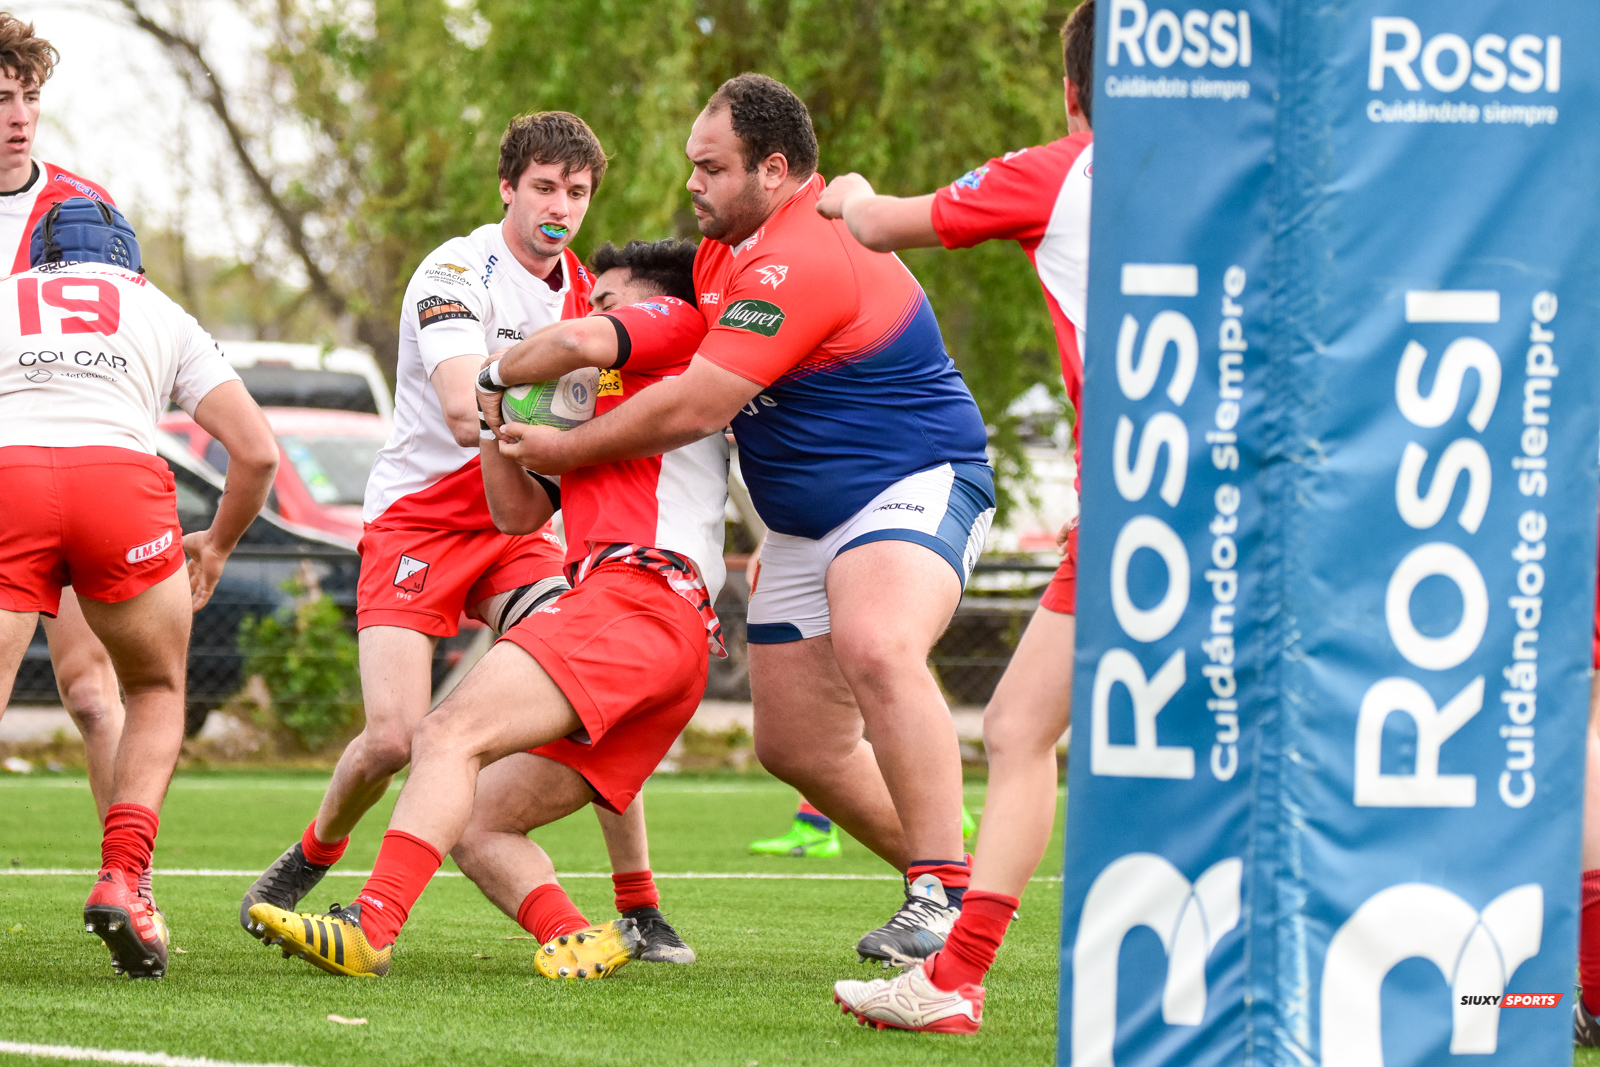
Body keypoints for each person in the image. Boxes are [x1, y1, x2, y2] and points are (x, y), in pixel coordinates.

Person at [502, 74, 995, 967]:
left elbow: (698, 404)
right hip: (805, 526)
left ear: (773, 169)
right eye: (693, 165)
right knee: (796, 744)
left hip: (912, 482)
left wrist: (561, 447)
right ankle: (969, 887)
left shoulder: (800, 253)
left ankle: (942, 891)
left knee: (879, 642)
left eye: (712, 167)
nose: (692, 182)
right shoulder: (721, 253)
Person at [237, 112, 692, 963]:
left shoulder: (587, 291)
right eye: (545, 187)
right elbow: (459, 411)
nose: (560, 207)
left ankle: (640, 907)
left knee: (589, 693)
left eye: (578, 192)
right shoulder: (456, 270)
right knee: (393, 739)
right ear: (507, 188)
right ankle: (315, 851)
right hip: (419, 521)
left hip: (517, 525)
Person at [824, 1, 1093, 1032]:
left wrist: (847, 192)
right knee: (1023, 726)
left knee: (1024, 731)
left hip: (1143, 510)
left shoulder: (1062, 171)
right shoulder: (1241, 174)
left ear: (1071, 92)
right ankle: (955, 975)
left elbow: (880, 224)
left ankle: (956, 977)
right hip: (1249, 502)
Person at [0, 198, 278, 977]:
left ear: (40, 258)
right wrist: (216, 545)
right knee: (154, 687)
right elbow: (257, 452)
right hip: (118, 486)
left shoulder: (7, 293)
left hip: (9, 477)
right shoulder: (158, 308)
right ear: (130, 262)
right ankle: (125, 877)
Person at [0, 13, 163, 921]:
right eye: (1, 100)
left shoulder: (81, 210)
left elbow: (131, 343)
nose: (19, 116)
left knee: (96, 693)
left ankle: (130, 887)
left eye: (28, 97)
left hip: (63, 471)